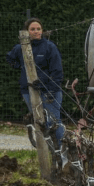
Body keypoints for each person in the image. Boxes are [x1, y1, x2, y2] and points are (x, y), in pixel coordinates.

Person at [6, 17, 65, 158]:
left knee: (54, 122)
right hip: (28, 91)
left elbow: (57, 72)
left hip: (50, 91)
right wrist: (20, 66)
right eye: (32, 29)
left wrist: (48, 87)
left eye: (38, 29)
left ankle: (62, 153)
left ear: (42, 30)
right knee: (39, 122)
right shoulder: (21, 48)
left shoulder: (50, 47)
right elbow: (9, 57)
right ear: (27, 32)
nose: (36, 31)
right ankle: (46, 153)